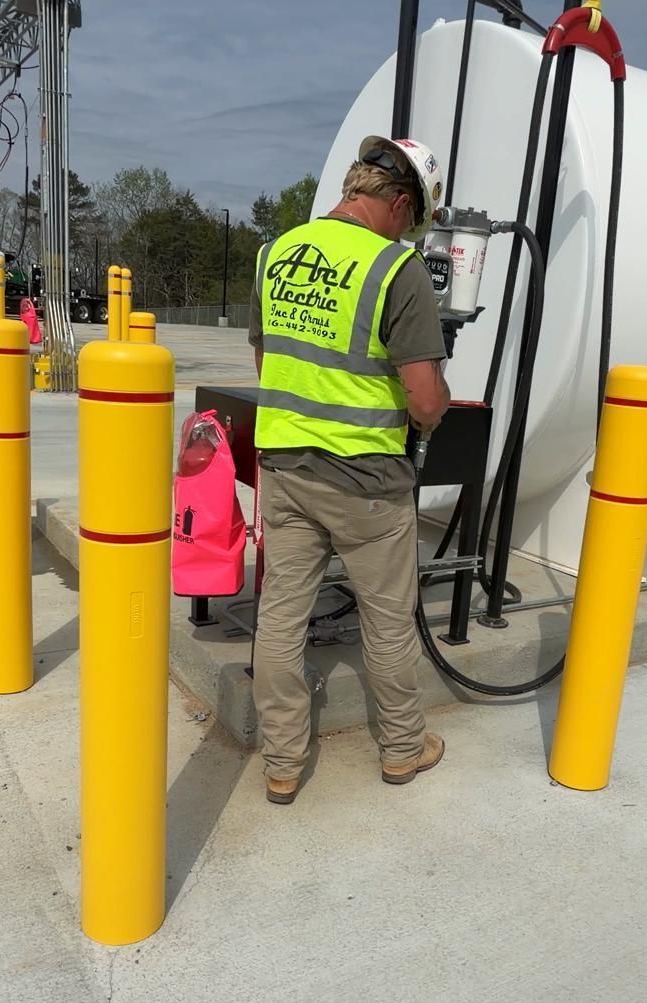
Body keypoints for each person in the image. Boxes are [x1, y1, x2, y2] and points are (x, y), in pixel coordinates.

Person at [248, 136, 452, 805]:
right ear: (397, 203)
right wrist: (433, 408)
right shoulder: (397, 270)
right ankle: (401, 750)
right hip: (367, 483)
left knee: (280, 616)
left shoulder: (275, 253)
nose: (411, 232)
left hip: (284, 467)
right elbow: (424, 400)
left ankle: (282, 763)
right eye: (413, 219)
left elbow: (268, 363)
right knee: (388, 620)